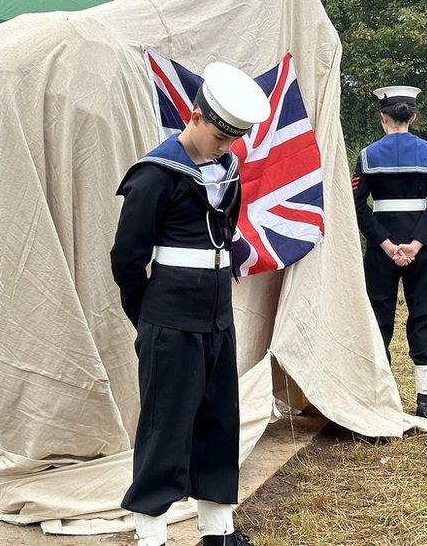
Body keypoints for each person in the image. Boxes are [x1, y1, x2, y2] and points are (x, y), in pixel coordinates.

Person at [111, 62, 270, 546]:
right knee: (165, 426)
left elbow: (226, 234)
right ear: (195, 115)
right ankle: (151, 534)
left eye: (234, 140)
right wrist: (151, 318)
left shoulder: (228, 169)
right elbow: (126, 259)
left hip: (218, 316)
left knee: (220, 420)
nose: (226, 147)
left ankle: (217, 529)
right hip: (169, 319)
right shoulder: (156, 174)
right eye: (220, 136)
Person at [351, 85, 427, 418]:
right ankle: (425, 398)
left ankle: (381, 395)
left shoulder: (366, 156)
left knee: (379, 318)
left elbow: (358, 205)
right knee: (423, 314)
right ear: (413, 117)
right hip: (421, 251)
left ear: (383, 118)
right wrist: (417, 243)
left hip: (381, 252)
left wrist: (386, 244)